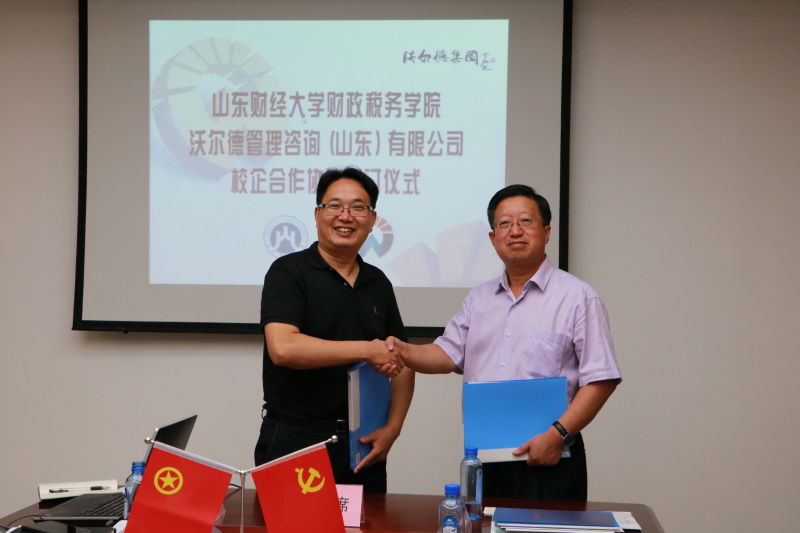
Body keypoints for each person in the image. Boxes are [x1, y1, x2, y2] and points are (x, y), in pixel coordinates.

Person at [388, 184, 621, 500]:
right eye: (504, 224)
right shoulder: (479, 298)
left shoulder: (578, 297)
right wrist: (402, 351)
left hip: (551, 453)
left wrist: (558, 434)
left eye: (525, 221)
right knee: (481, 522)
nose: (515, 231)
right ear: (492, 237)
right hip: (486, 456)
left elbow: (601, 378)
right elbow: (446, 354)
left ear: (546, 232)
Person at [254, 167, 414, 493]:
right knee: (292, 522)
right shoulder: (288, 272)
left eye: (358, 207)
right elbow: (283, 349)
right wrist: (366, 349)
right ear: (317, 214)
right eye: (335, 206)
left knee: (366, 520)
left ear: (372, 219)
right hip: (296, 438)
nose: (346, 216)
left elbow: (402, 360)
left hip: (362, 441)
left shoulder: (378, 282)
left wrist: (393, 428)